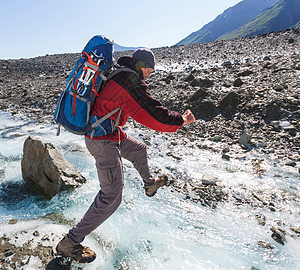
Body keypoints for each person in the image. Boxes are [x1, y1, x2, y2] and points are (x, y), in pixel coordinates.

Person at [56, 48, 195, 263]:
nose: (150, 75)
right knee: (111, 197)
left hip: (109, 133)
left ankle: (149, 184)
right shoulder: (129, 81)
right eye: (151, 71)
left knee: (139, 149)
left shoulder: (121, 73)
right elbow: (153, 115)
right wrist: (182, 120)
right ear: (145, 67)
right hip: (102, 141)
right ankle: (70, 241)